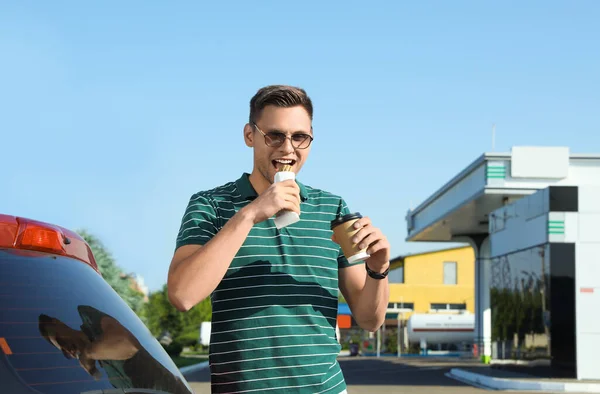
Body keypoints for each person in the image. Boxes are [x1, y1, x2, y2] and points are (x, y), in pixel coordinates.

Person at [168, 85, 390, 393]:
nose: (288, 148)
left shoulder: (333, 208)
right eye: (275, 135)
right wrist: (250, 214)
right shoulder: (211, 205)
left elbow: (369, 319)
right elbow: (182, 295)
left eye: (300, 137)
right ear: (250, 135)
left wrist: (378, 269)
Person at [38, 306, 192, 394]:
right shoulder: (103, 368)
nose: (67, 350)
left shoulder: (89, 319)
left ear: (57, 322)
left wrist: (89, 353)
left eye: (60, 340)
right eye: (64, 352)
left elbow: (127, 345)